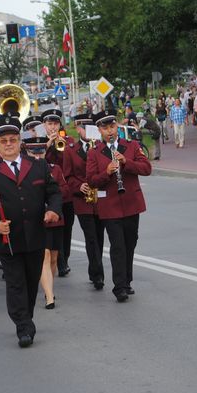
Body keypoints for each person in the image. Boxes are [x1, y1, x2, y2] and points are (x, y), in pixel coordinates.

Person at [0, 114, 62, 348]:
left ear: (20, 142)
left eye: (13, 139)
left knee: (31, 281)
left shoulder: (39, 166)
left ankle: (27, 316)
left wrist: (53, 210)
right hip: (8, 240)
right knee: (15, 284)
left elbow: (54, 193)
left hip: (35, 236)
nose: (9, 144)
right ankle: (22, 325)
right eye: (3, 141)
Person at [86, 110, 152, 302]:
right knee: (117, 246)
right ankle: (119, 286)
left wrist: (127, 162)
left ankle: (127, 281)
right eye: (105, 128)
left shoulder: (130, 146)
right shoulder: (94, 152)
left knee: (130, 243)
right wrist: (106, 172)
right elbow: (91, 181)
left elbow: (146, 168)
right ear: (99, 130)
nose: (110, 131)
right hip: (110, 206)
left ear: (117, 127)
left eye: (112, 127)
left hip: (131, 203)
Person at [22, 132, 67, 309]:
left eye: (41, 152)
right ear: (27, 153)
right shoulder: (24, 172)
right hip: (36, 221)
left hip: (54, 219)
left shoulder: (54, 169)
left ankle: (49, 287)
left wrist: (53, 206)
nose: (38, 156)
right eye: (34, 153)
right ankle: (49, 296)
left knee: (54, 258)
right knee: (45, 256)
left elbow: (64, 191)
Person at [63, 113, 105, 290]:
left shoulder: (102, 147)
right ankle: (98, 275)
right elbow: (67, 175)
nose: (87, 131)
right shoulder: (70, 149)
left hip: (102, 199)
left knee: (100, 237)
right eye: (83, 128)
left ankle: (93, 269)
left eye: (90, 127)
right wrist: (79, 186)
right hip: (83, 201)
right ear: (78, 129)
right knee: (91, 238)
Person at [42, 109, 75, 277]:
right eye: (50, 124)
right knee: (52, 232)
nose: (53, 127)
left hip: (65, 193)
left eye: (55, 124)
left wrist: (62, 146)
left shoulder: (67, 142)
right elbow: (36, 161)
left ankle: (64, 259)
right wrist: (47, 144)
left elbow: (71, 165)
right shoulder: (39, 143)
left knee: (66, 230)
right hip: (47, 195)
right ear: (44, 126)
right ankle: (59, 263)